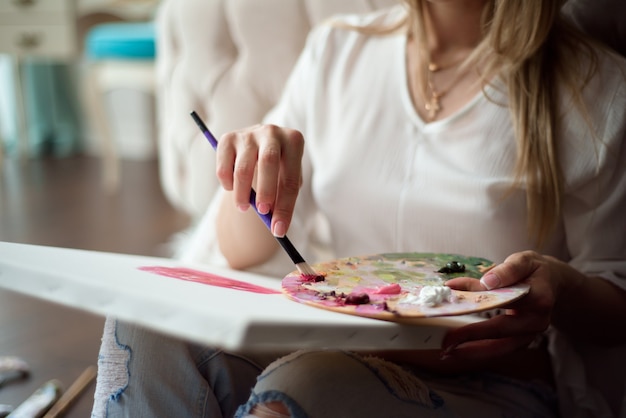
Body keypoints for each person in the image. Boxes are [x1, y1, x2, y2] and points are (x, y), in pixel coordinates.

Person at [93, 0, 626, 417]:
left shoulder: (598, 89)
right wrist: (255, 170)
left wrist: (561, 286)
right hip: (320, 341)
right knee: (147, 325)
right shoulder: (337, 50)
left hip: (490, 383)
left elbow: (616, 297)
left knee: (305, 384)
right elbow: (238, 247)